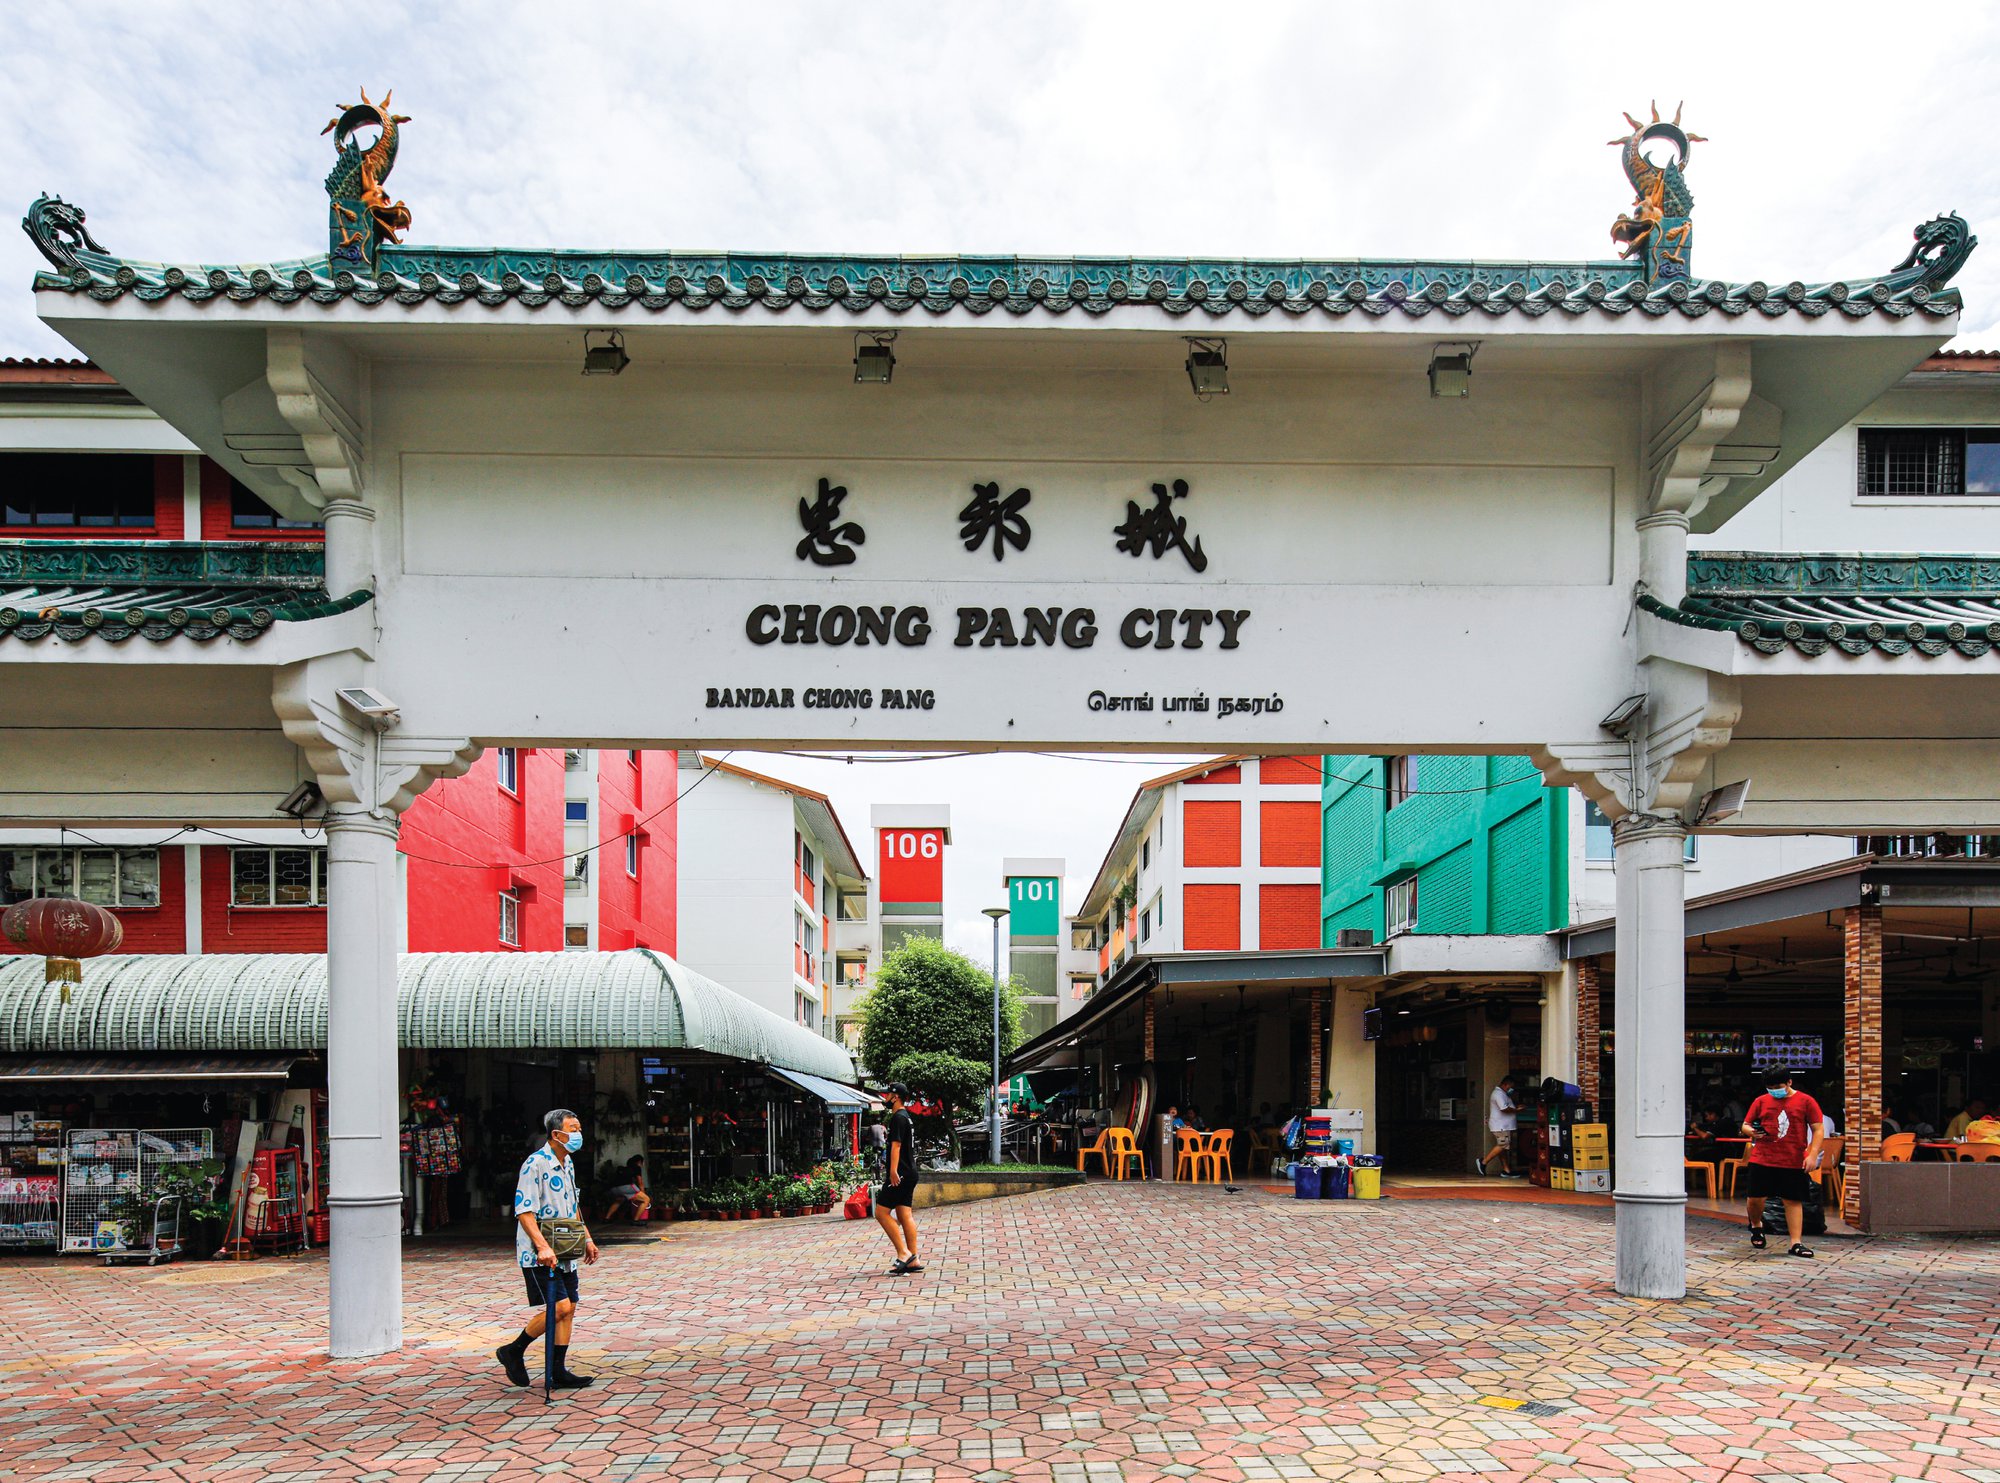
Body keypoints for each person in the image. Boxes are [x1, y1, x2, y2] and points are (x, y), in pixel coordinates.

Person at [495, 1108, 601, 1389]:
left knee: (571, 1307)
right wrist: (542, 1248)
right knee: (560, 1307)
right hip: (539, 1252)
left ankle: (558, 1371)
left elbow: (573, 1205)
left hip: (566, 1248)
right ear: (556, 1134)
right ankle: (514, 1350)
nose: (578, 1134)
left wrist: (587, 1239)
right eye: (573, 1129)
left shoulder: (568, 1163)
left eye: (579, 1128)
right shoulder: (535, 1164)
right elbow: (524, 1211)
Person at [1741, 1069, 1824, 1259]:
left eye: (1777, 1087)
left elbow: (1818, 1129)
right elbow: (1745, 1124)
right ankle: (1756, 1225)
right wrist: (1752, 1132)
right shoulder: (1761, 1101)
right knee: (1755, 1198)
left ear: (1789, 1082)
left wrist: (1812, 1155)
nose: (1773, 1091)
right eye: (1769, 1088)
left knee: (1792, 1199)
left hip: (1792, 1158)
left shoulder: (1806, 1101)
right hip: (1762, 1157)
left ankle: (1796, 1242)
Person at [872, 1083, 923, 1276]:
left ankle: (903, 1253)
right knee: (904, 1214)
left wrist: (892, 1171)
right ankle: (914, 1258)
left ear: (896, 1097)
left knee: (881, 1212)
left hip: (900, 1173)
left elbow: (896, 1146)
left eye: (888, 1094)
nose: (885, 1097)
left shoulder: (898, 1118)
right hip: (910, 1172)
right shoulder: (906, 1118)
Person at [1477, 1074, 1520, 1176]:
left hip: (1503, 1125)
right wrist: (1517, 1109)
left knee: (1503, 1148)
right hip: (1501, 1126)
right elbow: (1504, 1109)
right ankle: (1483, 1162)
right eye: (1511, 1087)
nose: (1512, 1089)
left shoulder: (1503, 1094)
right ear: (1505, 1084)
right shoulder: (1498, 1094)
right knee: (1503, 1144)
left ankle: (1506, 1170)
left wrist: (1516, 1107)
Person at [600, 1154, 650, 1221]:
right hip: (626, 1187)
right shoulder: (637, 1167)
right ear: (639, 1162)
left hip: (614, 1188)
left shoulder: (624, 1169)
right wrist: (643, 1194)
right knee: (646, 1199)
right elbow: (640, 1183)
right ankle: (636, 1220)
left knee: (619, 1201)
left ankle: (607, 1218)